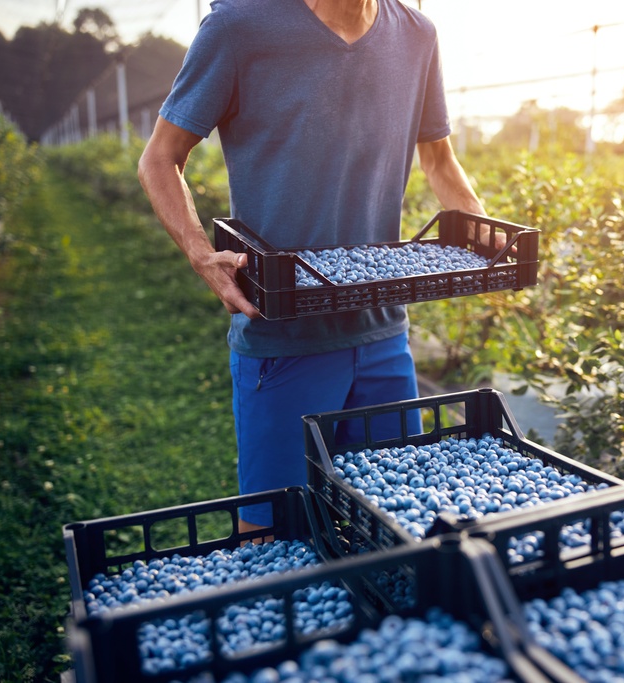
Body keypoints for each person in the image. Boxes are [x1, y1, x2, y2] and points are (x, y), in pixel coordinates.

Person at [137, 0, 485, 535]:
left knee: (395, 524)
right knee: (277, 532)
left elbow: (438, 158)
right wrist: (200, 253)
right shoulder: (239, 27)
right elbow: (161, 156)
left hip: (382, 336)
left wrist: (482, 232)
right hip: (283, 336)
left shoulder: (417, 34)